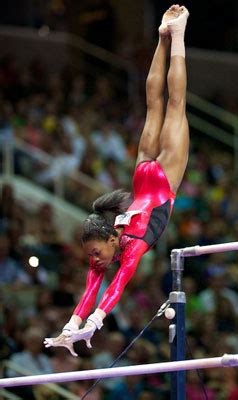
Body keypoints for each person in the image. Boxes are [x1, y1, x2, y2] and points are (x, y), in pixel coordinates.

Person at [44, 4, 190, 356]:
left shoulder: (133, 244)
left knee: (172, 105)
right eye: (92, 255)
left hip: (158, 176)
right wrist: (70, 328)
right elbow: (90, 292)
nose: (94, 260)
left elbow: (117, 288)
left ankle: (175, 35)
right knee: (156, 105)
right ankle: (161, 37)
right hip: (144, 176)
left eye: (96, 252)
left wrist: (92, 323)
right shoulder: (110, 248)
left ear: (111, 238)